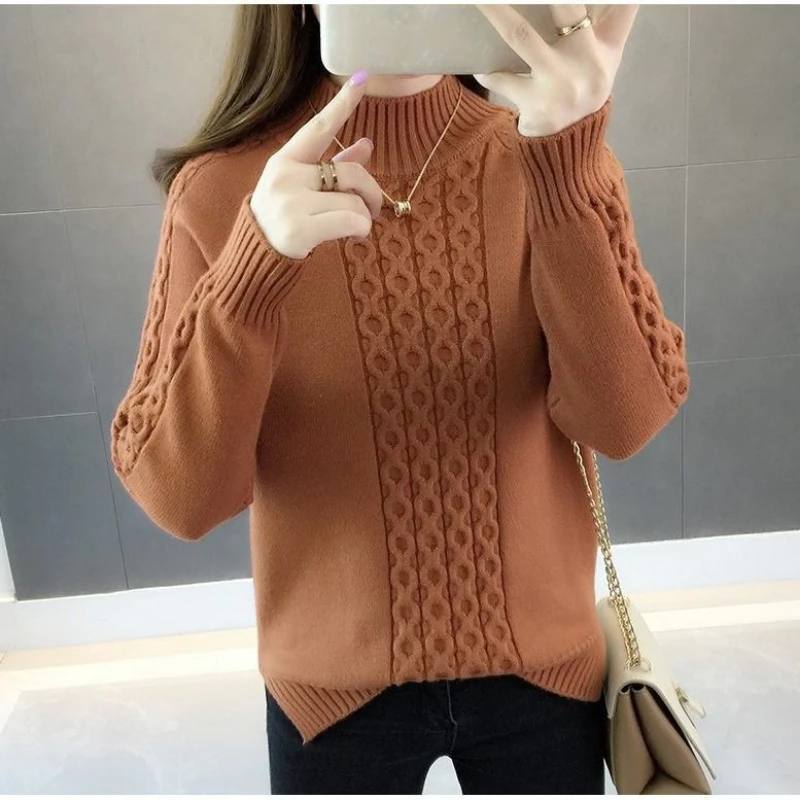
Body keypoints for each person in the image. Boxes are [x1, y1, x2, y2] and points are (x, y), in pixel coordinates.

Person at [110, 3, 688, 794]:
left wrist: (568, 162)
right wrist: (252, 273)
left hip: (547, 675)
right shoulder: (224, 192)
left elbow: (625, 421)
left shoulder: (550, 157)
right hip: (330, 695)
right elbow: (180, 499)